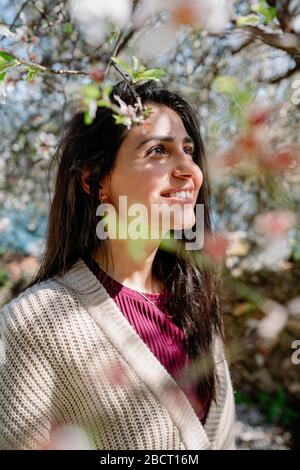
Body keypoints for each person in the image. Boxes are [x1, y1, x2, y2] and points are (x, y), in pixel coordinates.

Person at [0, 79, 236, 450]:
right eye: (158, 150)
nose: (189, 169)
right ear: (95, 180)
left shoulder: (196, 296)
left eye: (188, 150)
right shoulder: (33, 323)